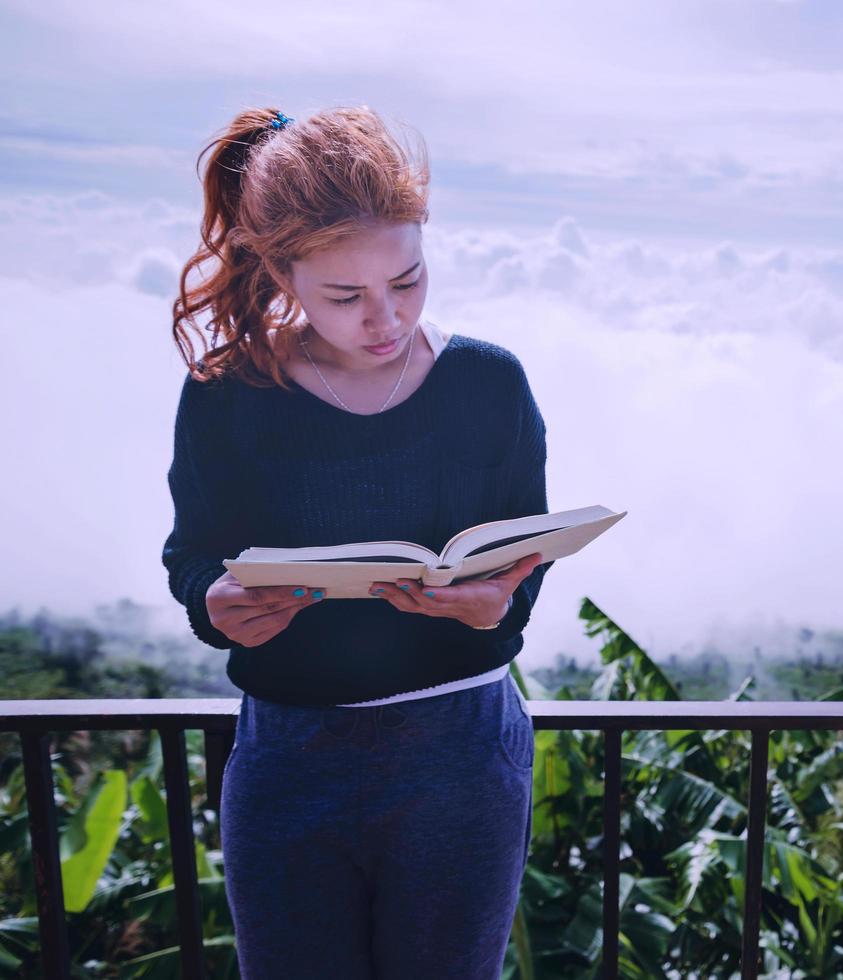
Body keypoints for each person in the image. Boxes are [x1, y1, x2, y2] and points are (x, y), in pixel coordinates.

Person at [161, 105, 550, 979]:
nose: (388, 318)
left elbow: (522, 563)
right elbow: (192, 553)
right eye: (346, 296)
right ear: (282, 274)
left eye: (408, 280)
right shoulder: (228, 394)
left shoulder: (488, 384)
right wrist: (213, 605)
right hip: (288, 757)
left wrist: (499, 602)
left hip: (462, 751)